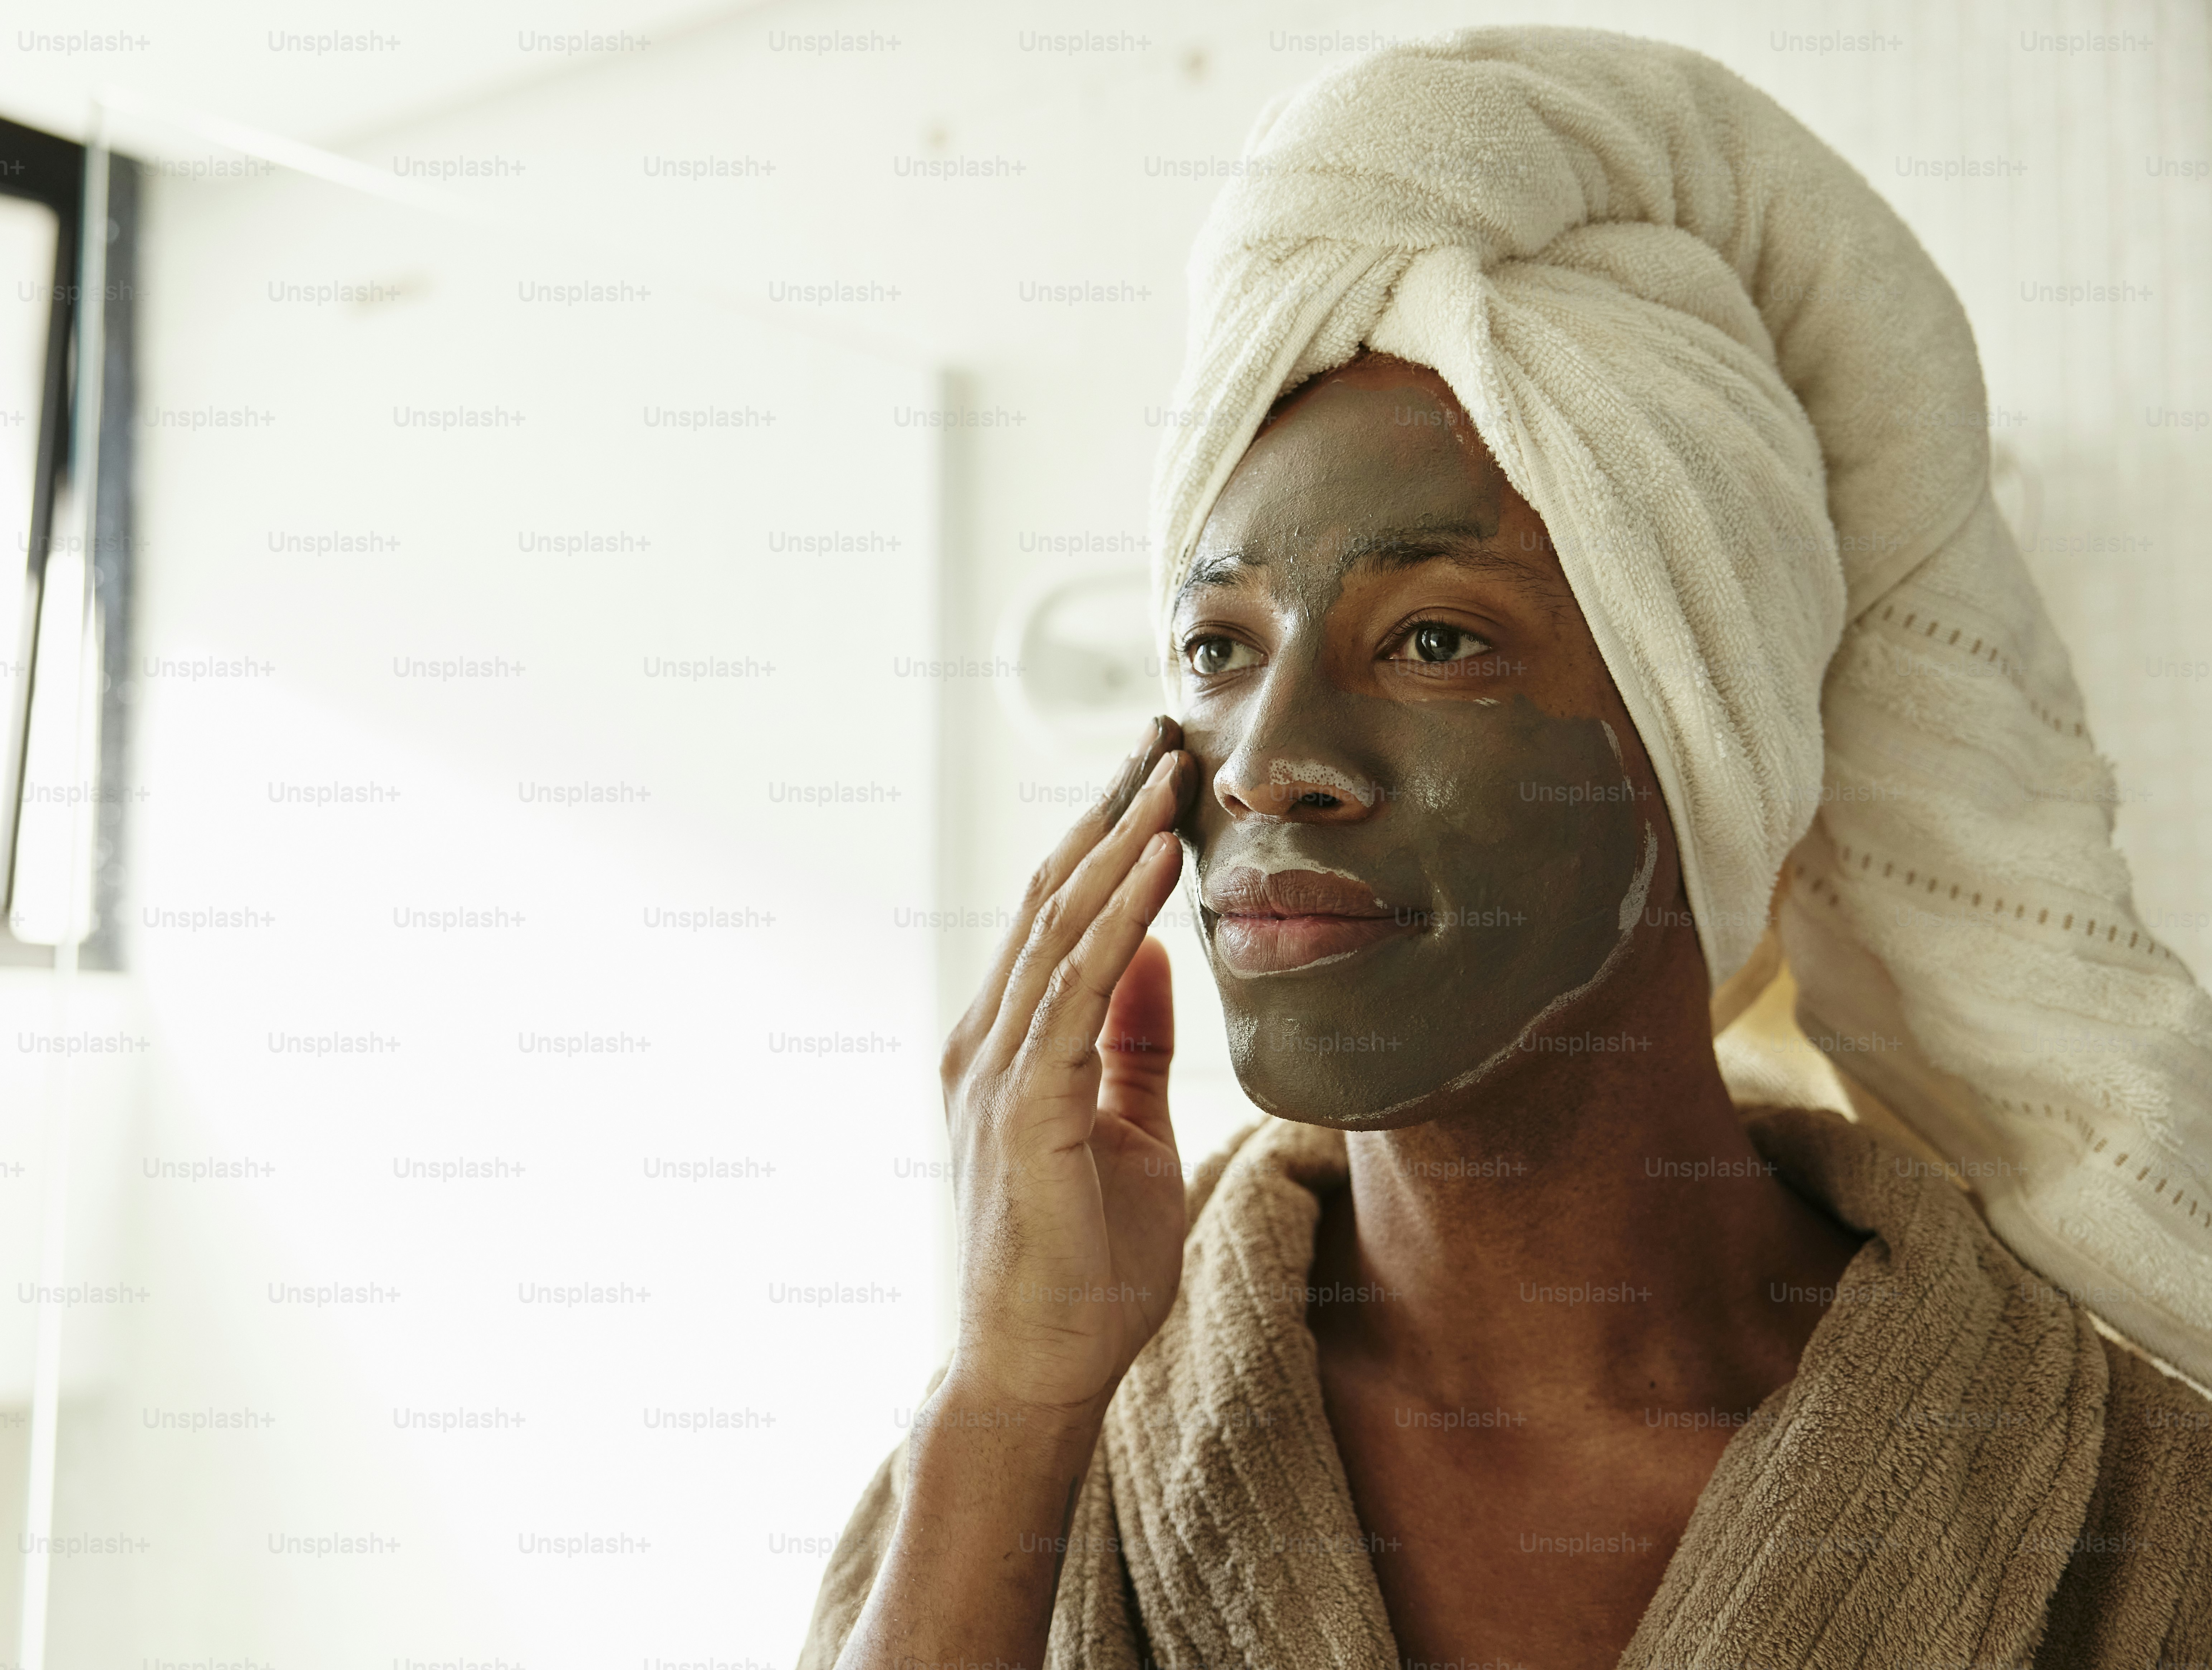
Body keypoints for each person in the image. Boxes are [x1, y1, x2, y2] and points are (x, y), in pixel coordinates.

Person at [803, 28, 2212, 1670]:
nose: (1267, 769)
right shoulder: (1026, 1474)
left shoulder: (2129, 1510)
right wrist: (1007, 1396)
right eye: (1216, 649)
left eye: (1433, 641)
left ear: (1704, 736)